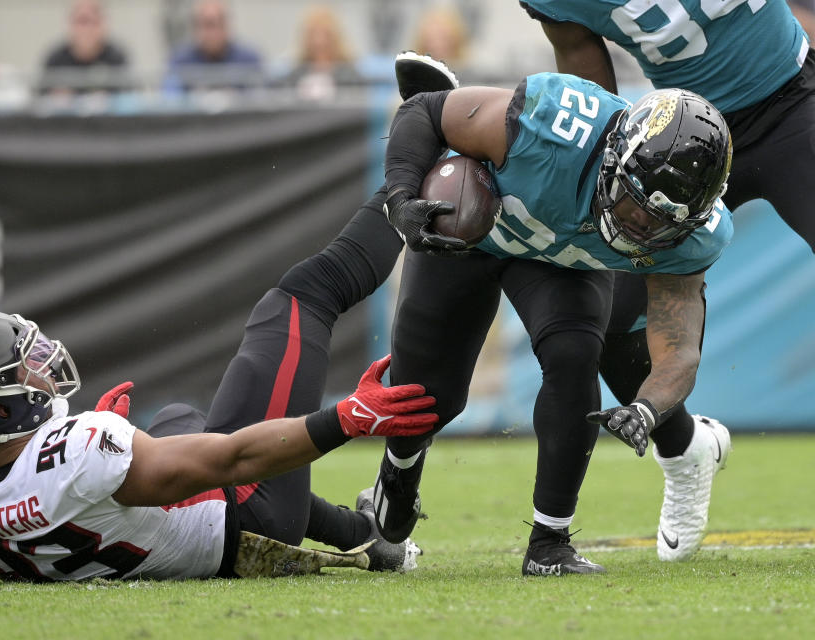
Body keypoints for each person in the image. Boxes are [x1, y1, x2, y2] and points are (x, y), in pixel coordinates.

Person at [0, 194, 437, 582]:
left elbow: (40, 491)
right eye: (24, 369)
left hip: (170, 539)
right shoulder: (79, 454)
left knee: (175, 418)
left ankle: (363, 534)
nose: (42, 368)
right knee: (301, 299)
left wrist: (93, 452)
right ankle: (399, 199)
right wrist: (344, 419)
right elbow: (231, 460)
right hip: (248, 516)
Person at [372, 56, 733, 576]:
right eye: (634, 208)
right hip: (475, 230)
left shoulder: (693, 233)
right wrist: (401, 197)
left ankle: (549, 544)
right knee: (429, 399)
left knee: (574, 354)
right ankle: (399, 471)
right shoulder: (551, 122)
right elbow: (425, 109)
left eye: (661, 224)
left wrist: (647, 411)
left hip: (563, 258)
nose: (639, 231)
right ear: (617, 160)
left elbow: (678, 352)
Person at [519, 0, 813, 561]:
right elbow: (585, 67)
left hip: (795, 102)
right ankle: (684, 451)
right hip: (681, 145)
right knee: (603, 317)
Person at [164, 0, 262, 95]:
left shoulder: (248, 60)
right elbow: (169, 99)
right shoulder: (181, 61)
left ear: (226, 25)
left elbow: (261, 97)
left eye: (215, 24)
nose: (211, 33)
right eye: (206, 25)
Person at [40, 0, 128, 96]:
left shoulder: (117, 59)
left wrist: (109, 102)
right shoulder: (55, 60)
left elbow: (130, 98)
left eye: (93, 21)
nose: (87, 29)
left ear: (103, 24)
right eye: (82, 21)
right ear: (71, 23)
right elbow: (38, 100)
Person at [284, 4, 363, 101]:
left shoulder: (351, 76)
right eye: (313, 34)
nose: (319, 41)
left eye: (325, 34)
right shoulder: (294, 76)